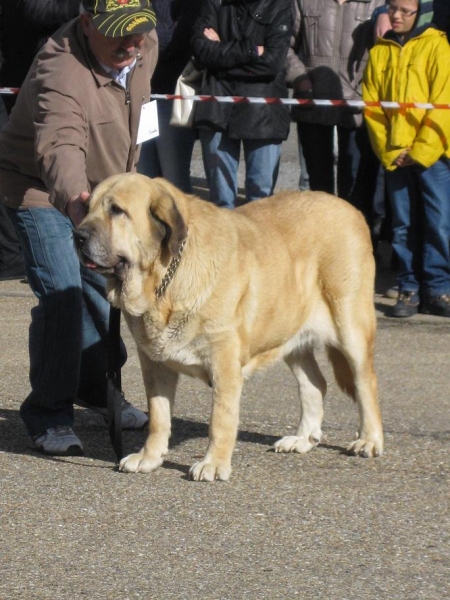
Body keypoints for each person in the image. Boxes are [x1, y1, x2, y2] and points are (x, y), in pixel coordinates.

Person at [0, 0, 159, 455]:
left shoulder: (144, 43)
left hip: (105, 193)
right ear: (87, 23)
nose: (131, 45)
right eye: (118, 33)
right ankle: (48, 412)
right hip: (42, 190)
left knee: (101, 292)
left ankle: (97, 390)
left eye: (139, 32)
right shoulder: (62, 67)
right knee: (64, 293)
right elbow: (60, 140)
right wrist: (75, 200)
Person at [363, 0, 450, 318]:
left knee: (438, 223)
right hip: (396, 155)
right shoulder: (379, 51)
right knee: (402, 225)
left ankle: (438, 289)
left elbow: (444, 104)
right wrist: (390, 149)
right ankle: (409, 290)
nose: (396, 15)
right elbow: (372, 107)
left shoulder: (439, 47)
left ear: (422, 13)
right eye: (392, 8)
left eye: (405, 10)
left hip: (433, 155)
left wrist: (421, 151)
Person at [285, 0, 386, 244]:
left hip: (358, 104)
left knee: (356, 185)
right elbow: (284, 45)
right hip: (313, 100)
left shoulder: (376, 4)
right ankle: (321, 244)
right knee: (318, 185)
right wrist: (300, 79)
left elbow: (387, 51)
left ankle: (356, 245)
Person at [191, 0, 292, 208]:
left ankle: (259, 242)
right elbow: (200, 50)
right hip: (218, 108)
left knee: (261, 202)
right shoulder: (214, 2)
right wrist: (252, 50)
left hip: (264, 113)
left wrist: (220, 58)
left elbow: (272, 63)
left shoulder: (279, 5)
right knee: (220, 202)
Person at [137, 0, 199, 193]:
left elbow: (177, 39)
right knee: (144, 177)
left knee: (175, 181)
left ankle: (185, 224)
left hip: (173, 97)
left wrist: (141, 35)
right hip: (143, 96)